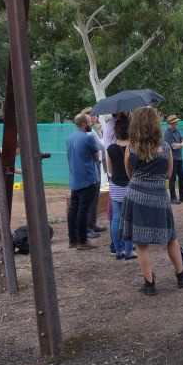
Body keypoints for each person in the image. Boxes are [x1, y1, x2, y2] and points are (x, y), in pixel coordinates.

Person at [120, 107, 183, 295]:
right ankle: (182, 276)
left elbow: (129, 174)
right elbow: (169, 174)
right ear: (155, 124)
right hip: (159, 196)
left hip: (136, 195)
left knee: (141, 243)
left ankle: (150, 284)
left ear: (135, 125)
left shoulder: (130, 148)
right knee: (171, 237)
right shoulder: (166, 147)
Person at [66, 113, 101, 250]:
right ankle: (83, 241)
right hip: (88, 178)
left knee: (73, 209)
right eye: (89, 122)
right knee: (83, 210)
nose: (91, 123)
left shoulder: (70, 137)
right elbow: (97, 157)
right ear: (84, 124)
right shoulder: (88, 137)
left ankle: (73, 240)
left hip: (75, 178)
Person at [106, 114, 136, 260]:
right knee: (129, 219)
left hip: (115, 185)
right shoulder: (134, 148)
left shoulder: (111, 148)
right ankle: (129, 250)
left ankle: (118, 250)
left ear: (116, 131)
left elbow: (110, 169)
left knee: (116, 218)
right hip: (130, 186)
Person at [81, 107, 107, 237]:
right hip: (93, 164)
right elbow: (102, 146)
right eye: (95, 115)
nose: (96, 118)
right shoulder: (90, 133)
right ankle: (88, 227)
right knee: (91, 196)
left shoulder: (89, 131)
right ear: (88, 117)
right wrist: (102, 132)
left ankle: (92, 224)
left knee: (94, 196)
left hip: (94, 164)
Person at [164, 114, 183, 204]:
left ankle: (182, 196)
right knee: (172, 178)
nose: (177, 123)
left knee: (182, 177)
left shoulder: (177, 132)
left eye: (176, 122)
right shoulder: (167, 134)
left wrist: (180, 144)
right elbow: (174, 146)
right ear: (171, 123)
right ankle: (173, 198)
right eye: (175, 122)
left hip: (179, 158)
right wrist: (181, 144)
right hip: (172, 159)